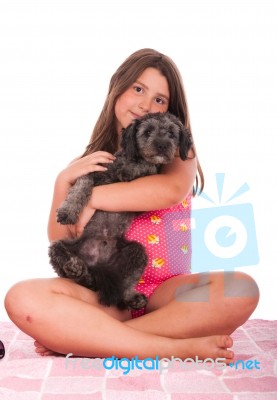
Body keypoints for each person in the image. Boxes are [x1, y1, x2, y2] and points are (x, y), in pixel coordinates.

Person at [4, 48, 259, 362]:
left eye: (159, 99)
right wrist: (62, 183)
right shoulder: (89, 165)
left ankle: (93, 337)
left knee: (242, 288)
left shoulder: (179, 154)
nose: (145, 104)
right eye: (138, 89)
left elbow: (167, 191)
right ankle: (170, 347)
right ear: (116, 88)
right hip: (104, 295)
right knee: (22, 297)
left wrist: (90, 197)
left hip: (166, 294)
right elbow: (62, 239)